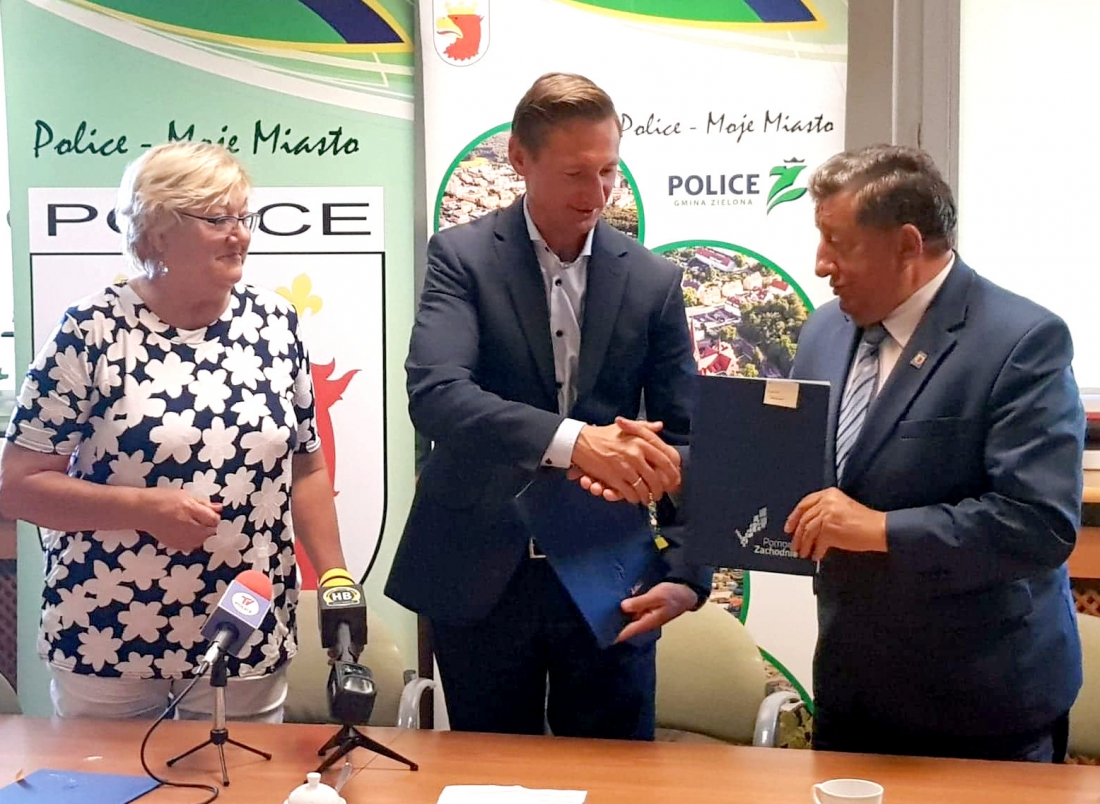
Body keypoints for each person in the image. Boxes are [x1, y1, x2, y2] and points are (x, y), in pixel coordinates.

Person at [385, 73, 710, 740]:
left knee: (617, 779)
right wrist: (576, 441)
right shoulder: (462, 259)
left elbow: (687, 439)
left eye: (608, 170)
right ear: (519, 158)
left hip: (610, 577)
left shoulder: (653, 280)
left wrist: (685, 571)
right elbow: (438, 395)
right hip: (479, 574)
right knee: (487, 775)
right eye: (574, 174)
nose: (597, 194)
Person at [0, 142, 348, 721]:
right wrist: (144, 508)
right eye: (218, 219)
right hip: (107, 628)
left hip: (243, 626)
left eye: (244, 217)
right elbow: (17, 487)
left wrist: (336, 577)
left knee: (243, 772)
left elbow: (306, 466)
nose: (240, 235)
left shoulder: (275, 324)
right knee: (106, 775)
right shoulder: (90, 330)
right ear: (157, 232)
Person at [785, 144, 1085, 761]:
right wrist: (685, 472)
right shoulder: (824, 330)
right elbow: (799, 474)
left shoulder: (1022, 341)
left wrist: (880, 530)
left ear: (907, 245)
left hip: (981, 707)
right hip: (852, 696)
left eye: (837, 243)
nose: (819, 265)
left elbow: (1040, 525)